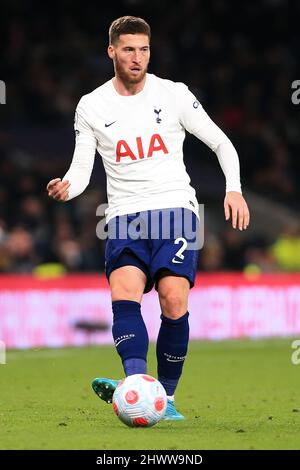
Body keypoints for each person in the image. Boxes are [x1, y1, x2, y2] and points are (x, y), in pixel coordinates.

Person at [47, 16, 250, 420]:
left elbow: (219, 141)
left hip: (175, 209)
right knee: (124, 296)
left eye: (143, 50)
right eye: (128, 50)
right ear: (112, 52)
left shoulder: (173, 94)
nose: (137, 58)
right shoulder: (92, 105)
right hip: (122, 213)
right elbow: (83, 168)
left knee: (173, 300)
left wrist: (234, 188)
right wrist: (67, 185)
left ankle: (167, 397)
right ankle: (138, 385)